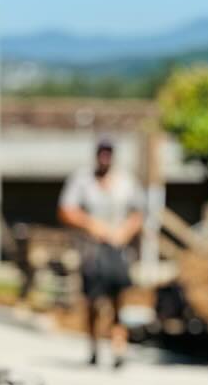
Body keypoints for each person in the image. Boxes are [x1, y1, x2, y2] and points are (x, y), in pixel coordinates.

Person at [59, 139, 144, 368]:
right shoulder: (82, 180)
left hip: (118, 248)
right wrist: (92, 225)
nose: (105, 158)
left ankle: (118, 347)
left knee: (119, 299)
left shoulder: (126, 181)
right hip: (92, 250)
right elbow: (67, 210)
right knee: (93, 300)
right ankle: (94, 345)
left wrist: (124, 232)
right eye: (102, 153)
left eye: (109, 153)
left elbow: (138, 213)